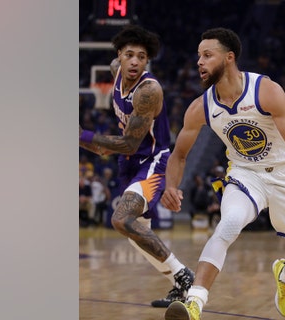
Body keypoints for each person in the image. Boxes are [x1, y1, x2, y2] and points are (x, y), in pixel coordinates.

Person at [161, 28, 285, 320]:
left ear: (229, 57)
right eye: (198, 56)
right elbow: (179, 154)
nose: (199, 62)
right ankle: (194, 304)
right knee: (229, 224)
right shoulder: (201, 107)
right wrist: (171, 185)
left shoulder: (266, 91)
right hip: (245, 175)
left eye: (207, 55)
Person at [78, 25, 194, 308]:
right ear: (120, 55)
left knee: (121, 219)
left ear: (147, 61)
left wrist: (83, 136)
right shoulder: (116, 70)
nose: (134, 61)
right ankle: (179, 284)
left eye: (141, 57)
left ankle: (184, 275)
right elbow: (122, 147)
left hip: (152, 161)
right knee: (135, 234)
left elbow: (129, 143)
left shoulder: (148, 90)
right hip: (128, 162)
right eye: (129, 55)